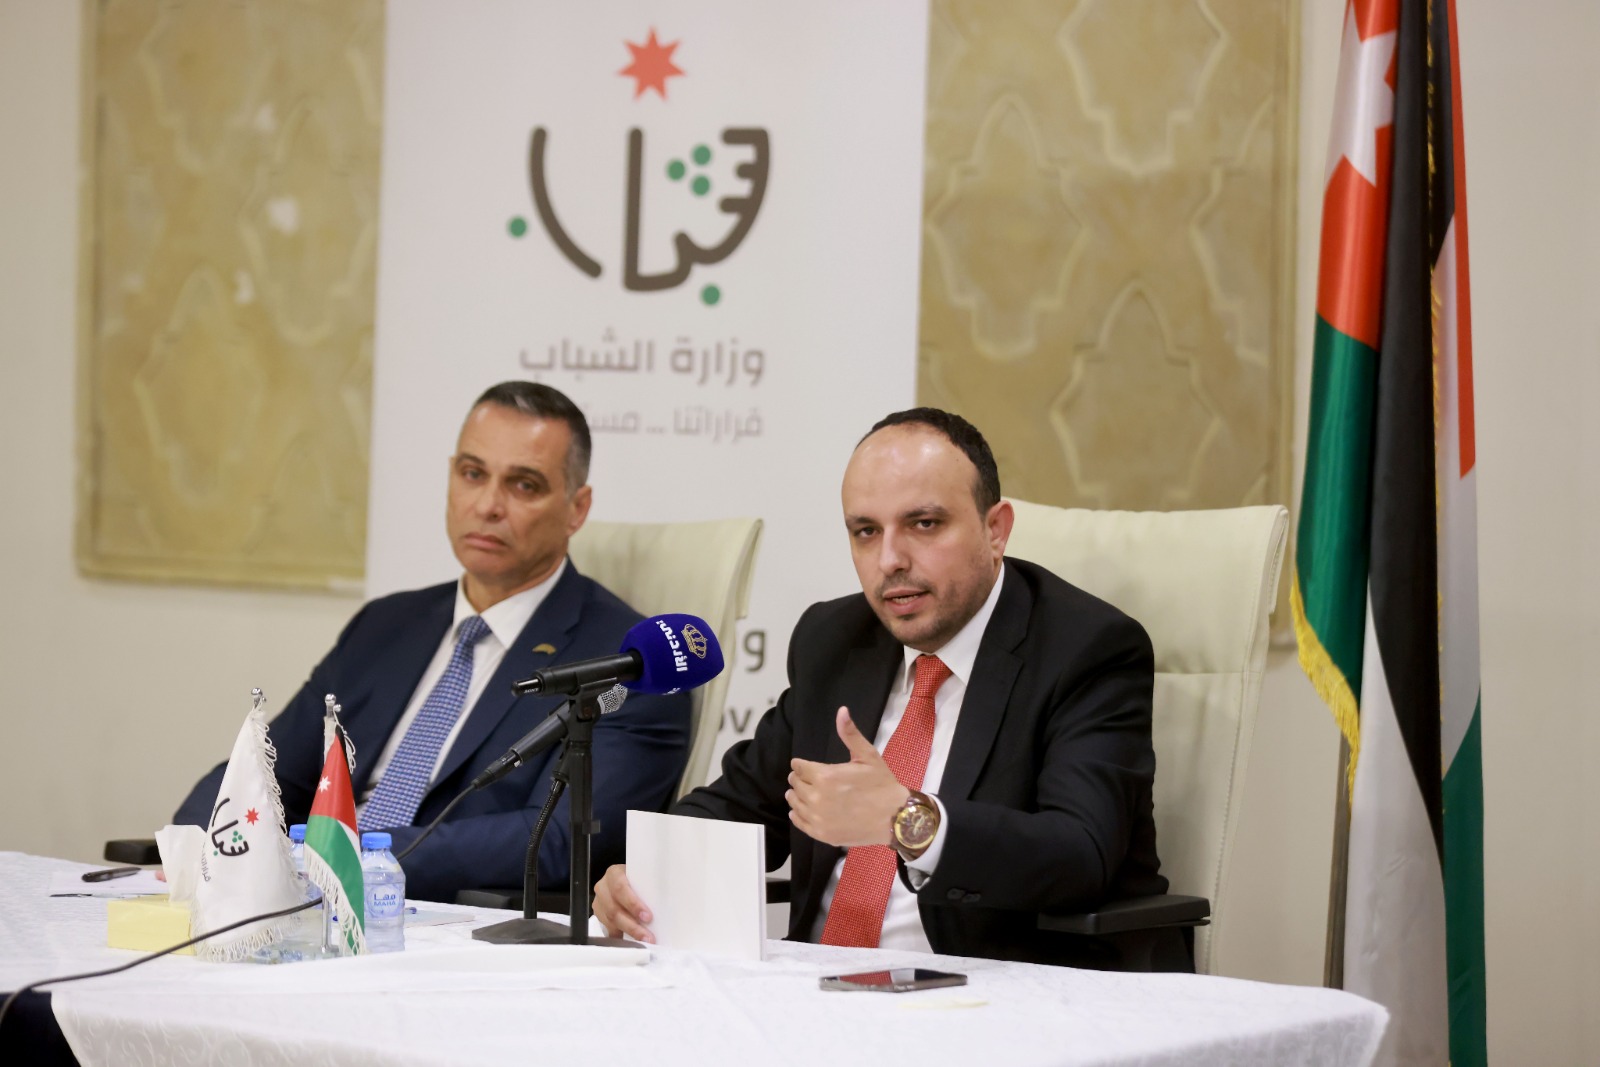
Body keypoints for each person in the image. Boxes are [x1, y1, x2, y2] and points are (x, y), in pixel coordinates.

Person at [593, 408, 1172, 968]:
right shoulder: (835, 639)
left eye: (924, 524)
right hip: (815, 987)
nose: (890, 560)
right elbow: (744, 802)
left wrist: (908, 819)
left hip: (991, 988)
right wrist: (645, 869)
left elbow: (1080, 853)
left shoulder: (1085, 649)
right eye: (866, 532)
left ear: (995, 530)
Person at [175, 382, 692, 902]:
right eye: (472, 474)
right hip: (305, 899)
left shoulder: (629, 664)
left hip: (443, 919)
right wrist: (205, 841)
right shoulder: (387, 624)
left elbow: (557, 841)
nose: (487, 505)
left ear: (577, 508)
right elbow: (269, 772)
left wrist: (347, 859)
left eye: (524, 485)